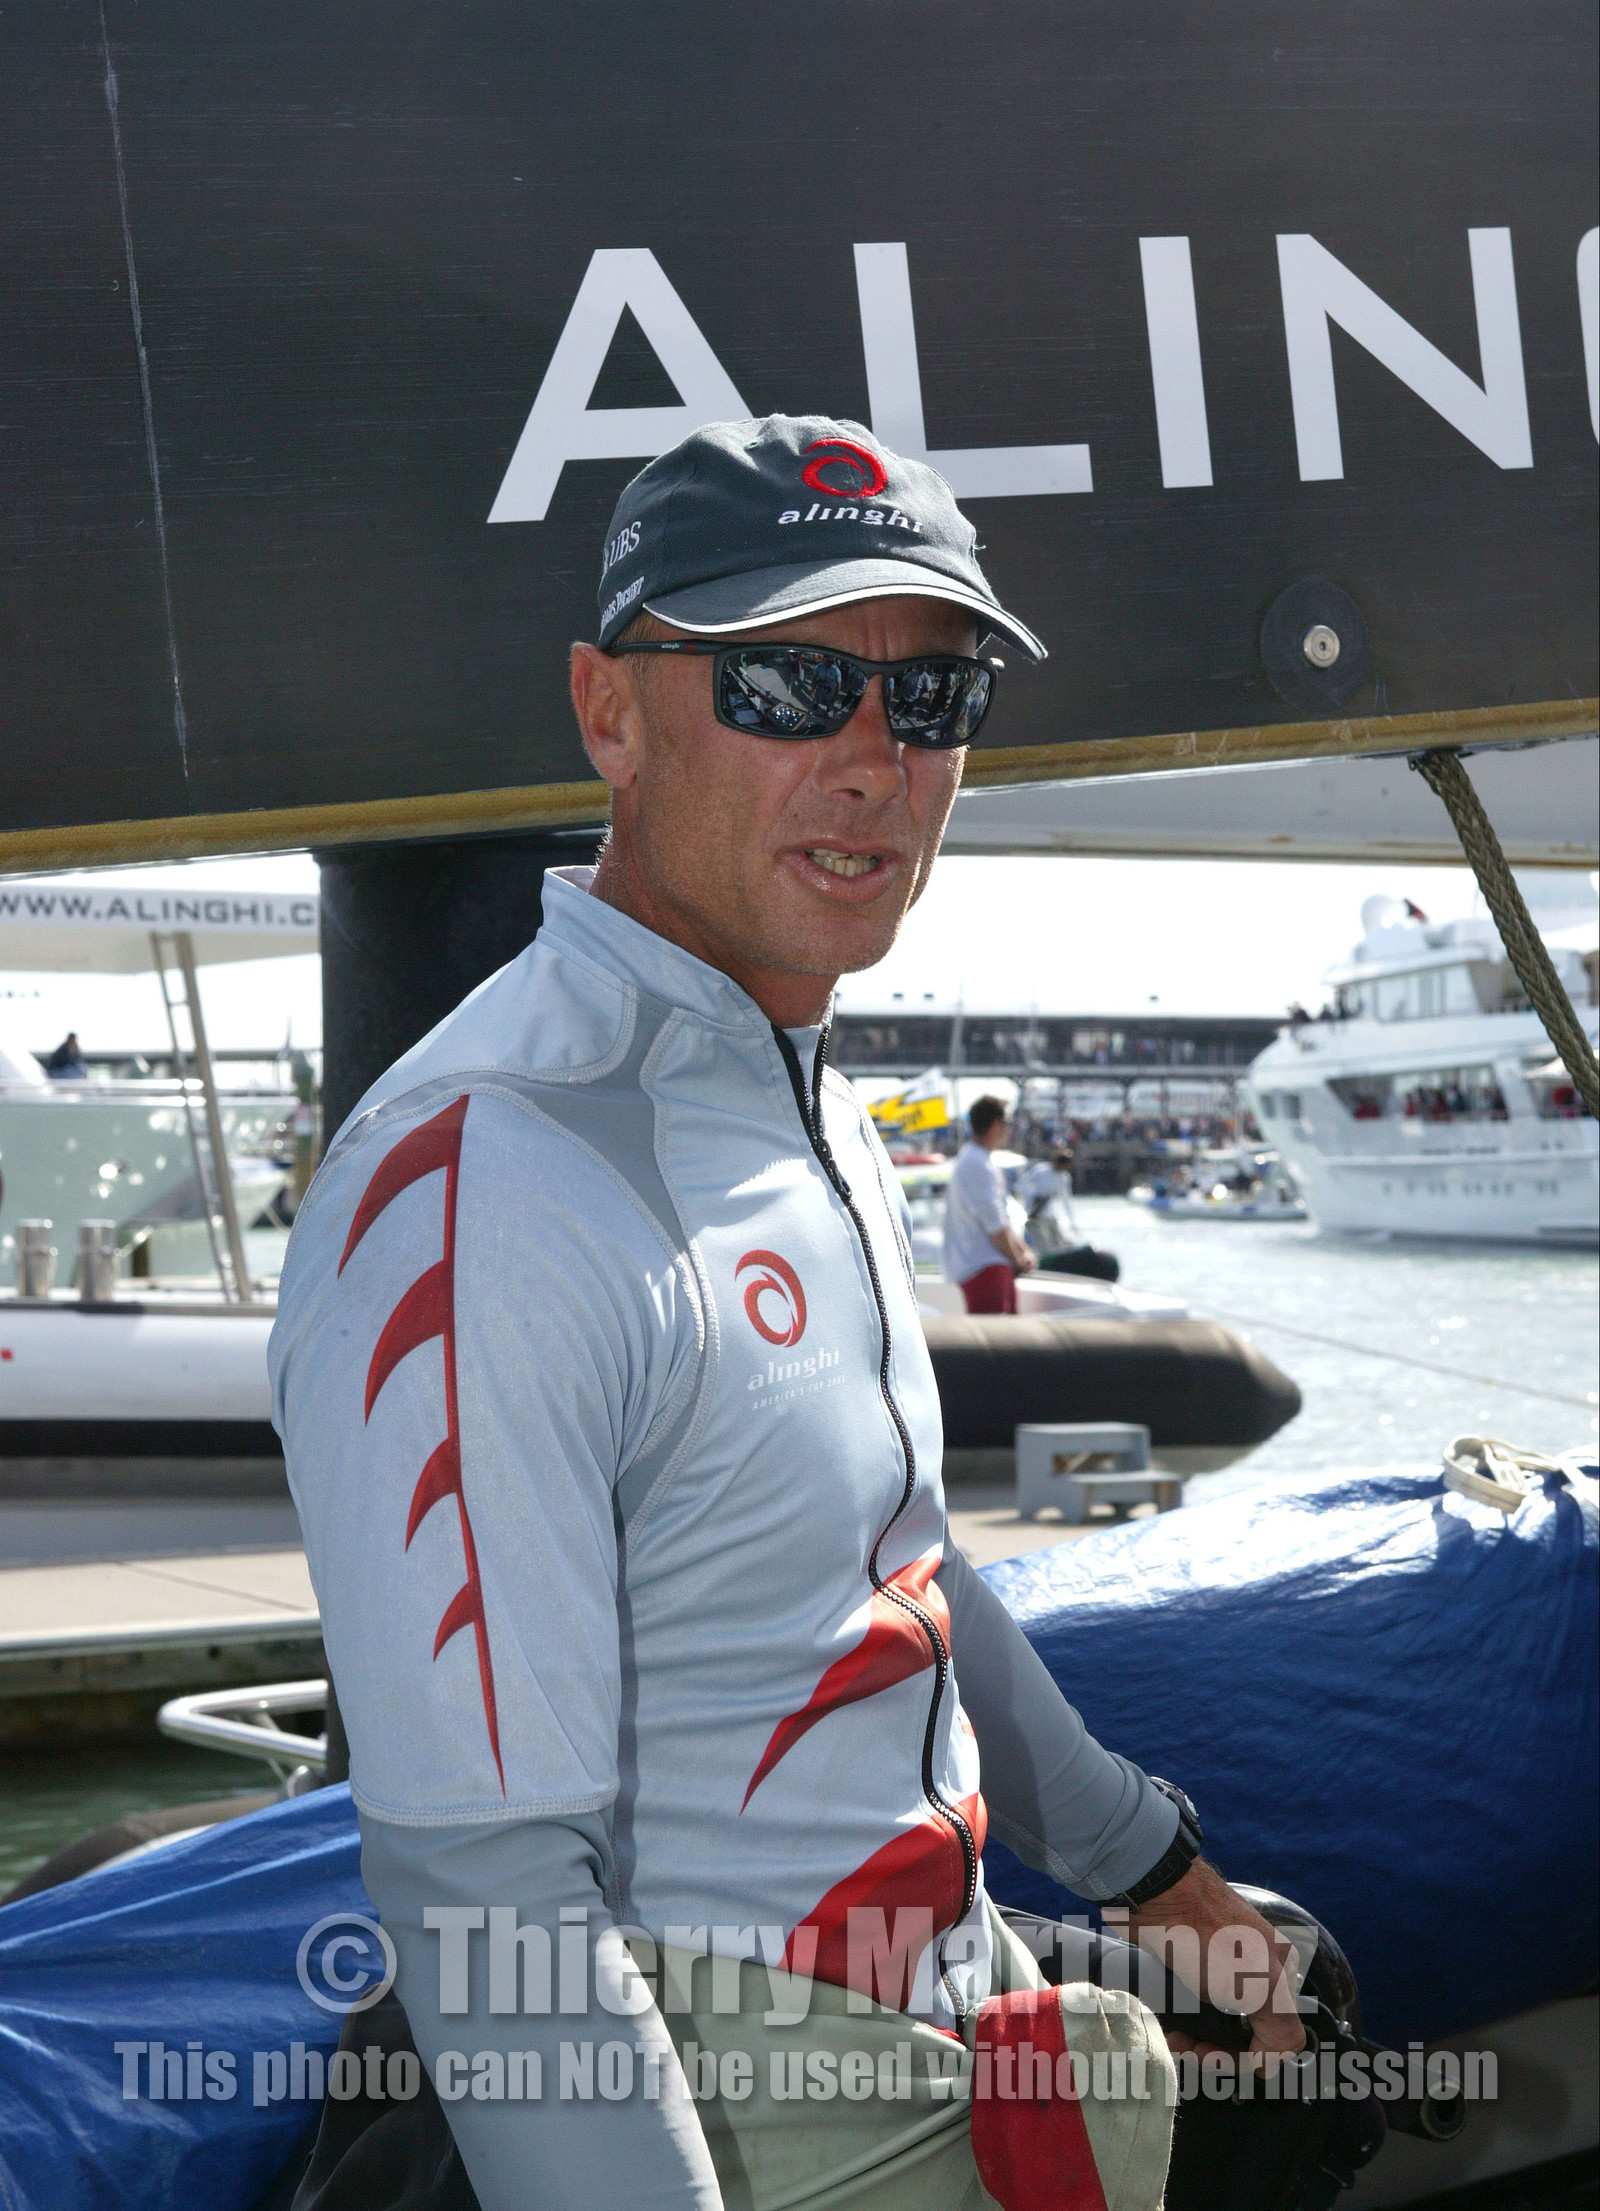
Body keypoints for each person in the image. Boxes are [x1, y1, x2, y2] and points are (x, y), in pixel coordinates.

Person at [271, 415, 1302, 2211]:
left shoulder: (805, 1095)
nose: (871, 762)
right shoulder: (487, 1174)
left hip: (949, 2041)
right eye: (787, 682)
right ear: (611, 711)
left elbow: (882, 1551)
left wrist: (1160, 1877)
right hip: (737, 2110)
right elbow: (491, 1900)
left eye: (932, 698)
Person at [943, 1096, 1035, 1313]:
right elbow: (994, 1223)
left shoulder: (976, 1159)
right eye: (1007, 1123)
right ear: (995, 1124)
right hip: (984, 1269)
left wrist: (1023, 1252)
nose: (1009, 1129)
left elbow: (1001, 1218)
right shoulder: (977, 1164)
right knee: (999, 1342)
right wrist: (1020, 1258)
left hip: (987, 1267)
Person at [1015, 1145, 1080, 1251]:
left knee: (1058, 1244)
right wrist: (1035, 1195)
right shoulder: (1040, 1170)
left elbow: (1066, 1201)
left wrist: (1072, 1222)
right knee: (1043, 1247)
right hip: (1032, 1216)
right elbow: (1020, 1185)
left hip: (1049, 1216)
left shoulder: (1064, 1178)